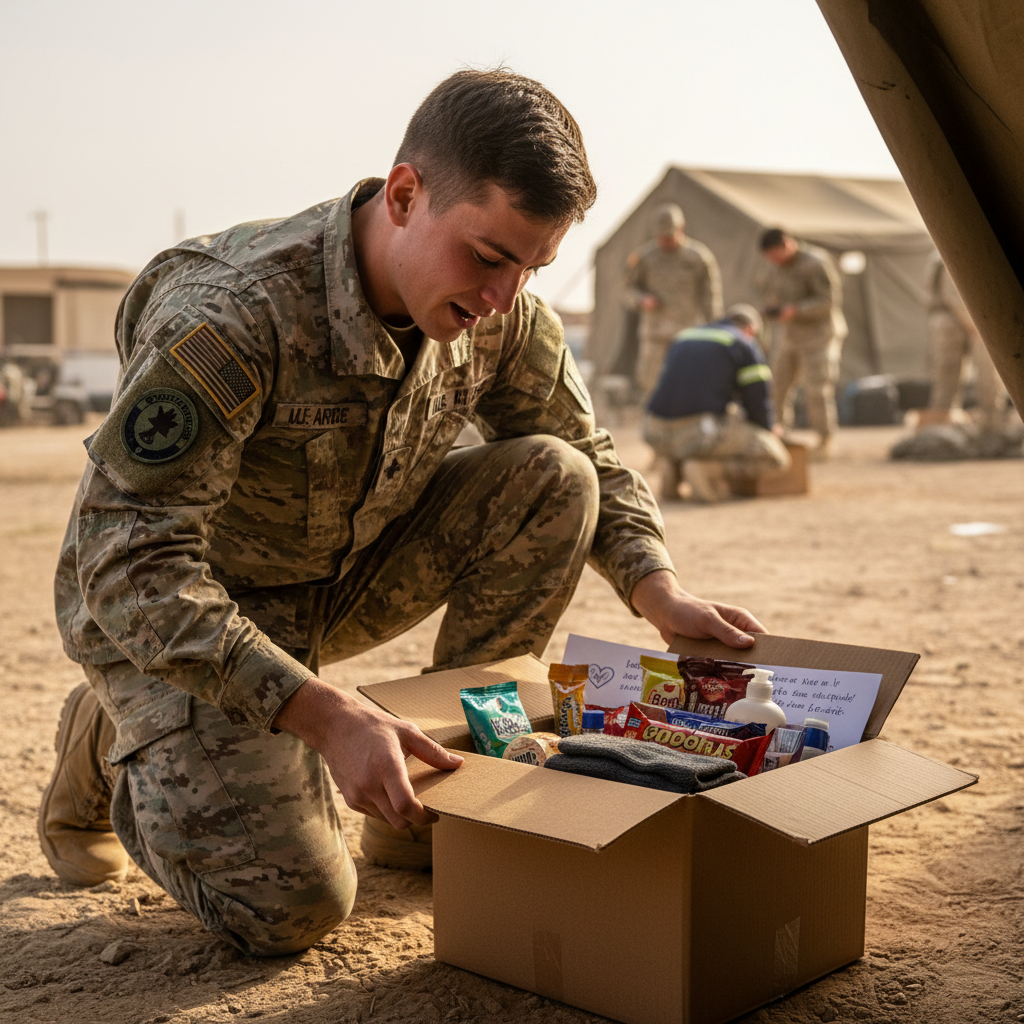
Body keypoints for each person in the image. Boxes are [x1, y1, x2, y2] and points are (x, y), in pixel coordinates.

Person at [40, 68, 767, 957]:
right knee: (292, 907)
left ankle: (429, 804)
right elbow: (128, 565)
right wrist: (321, 712)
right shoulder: (231, 315)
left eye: (533, 266)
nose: (503, 297)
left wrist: (659, 591)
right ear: (404, 194)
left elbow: (590, 453)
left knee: (555, 476)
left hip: (338, 581)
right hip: (183, 618)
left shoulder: (504, 314)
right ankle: (114, 722)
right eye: (489, 257)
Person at [643, 305, 791, 502]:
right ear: (750, 329)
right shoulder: (742, 343)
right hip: (699, 432)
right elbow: (757, 399)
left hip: (654, 431)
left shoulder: (684, 337)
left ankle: (674, 469)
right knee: (777, 457)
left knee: (705, 422)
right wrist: (768, 429)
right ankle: (706, 470)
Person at [757, 227, 847, 458]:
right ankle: (777, 435)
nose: (773, 260)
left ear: (786, 244)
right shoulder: (774, 269)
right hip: (788, 337)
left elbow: (829, 300)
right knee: (777, 387)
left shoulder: (815, 263)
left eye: (776, 254)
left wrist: (796, 311)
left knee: (816, 389)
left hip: (818, 336)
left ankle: (824, 441)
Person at [623, 202, 722, 396]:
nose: (665, 242)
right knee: (649, 381)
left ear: (681, 229)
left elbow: (711, 295)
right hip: (655, 332)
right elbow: (627, 289)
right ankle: (653, 422)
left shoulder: (698, 257)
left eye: (669, 237)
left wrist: (714, 326)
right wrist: (641, 300)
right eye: (661, 237)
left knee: (690, 379)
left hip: (687, 331)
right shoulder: (644, 257)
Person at [926, 256, 1008, 433]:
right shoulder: (953, 250)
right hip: (952, 321)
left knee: (989, 373)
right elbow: (951, 296)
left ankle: (992, 422)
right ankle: (941, 424)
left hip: (978, 320)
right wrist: (975, 327)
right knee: (947, 376)